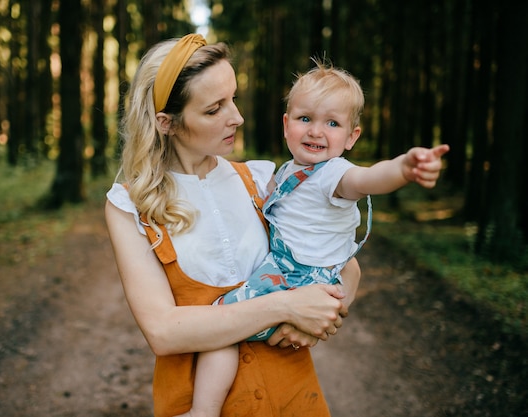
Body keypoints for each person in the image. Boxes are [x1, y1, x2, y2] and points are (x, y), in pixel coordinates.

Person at [105, 34, 364, 417]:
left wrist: (318, 318)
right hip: (197, 405)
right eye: (214, 109)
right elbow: (164, 331)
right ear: (167, 122)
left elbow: (346, 266)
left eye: (234, 99)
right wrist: (287, 306)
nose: (237, 118)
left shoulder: (262, 182)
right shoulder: (130, 206)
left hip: (293, 398)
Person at [191, 59, 450, 417]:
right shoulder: (288, 170)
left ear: (351, 137)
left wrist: (404, 168)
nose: (316, 131)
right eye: (305, 119)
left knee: (220, 325)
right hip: (291, 271)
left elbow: (369, 179)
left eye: (332, 123)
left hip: (297, 276)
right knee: (228, 328)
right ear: (287, 125)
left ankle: (202, 412)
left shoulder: (335, 175)